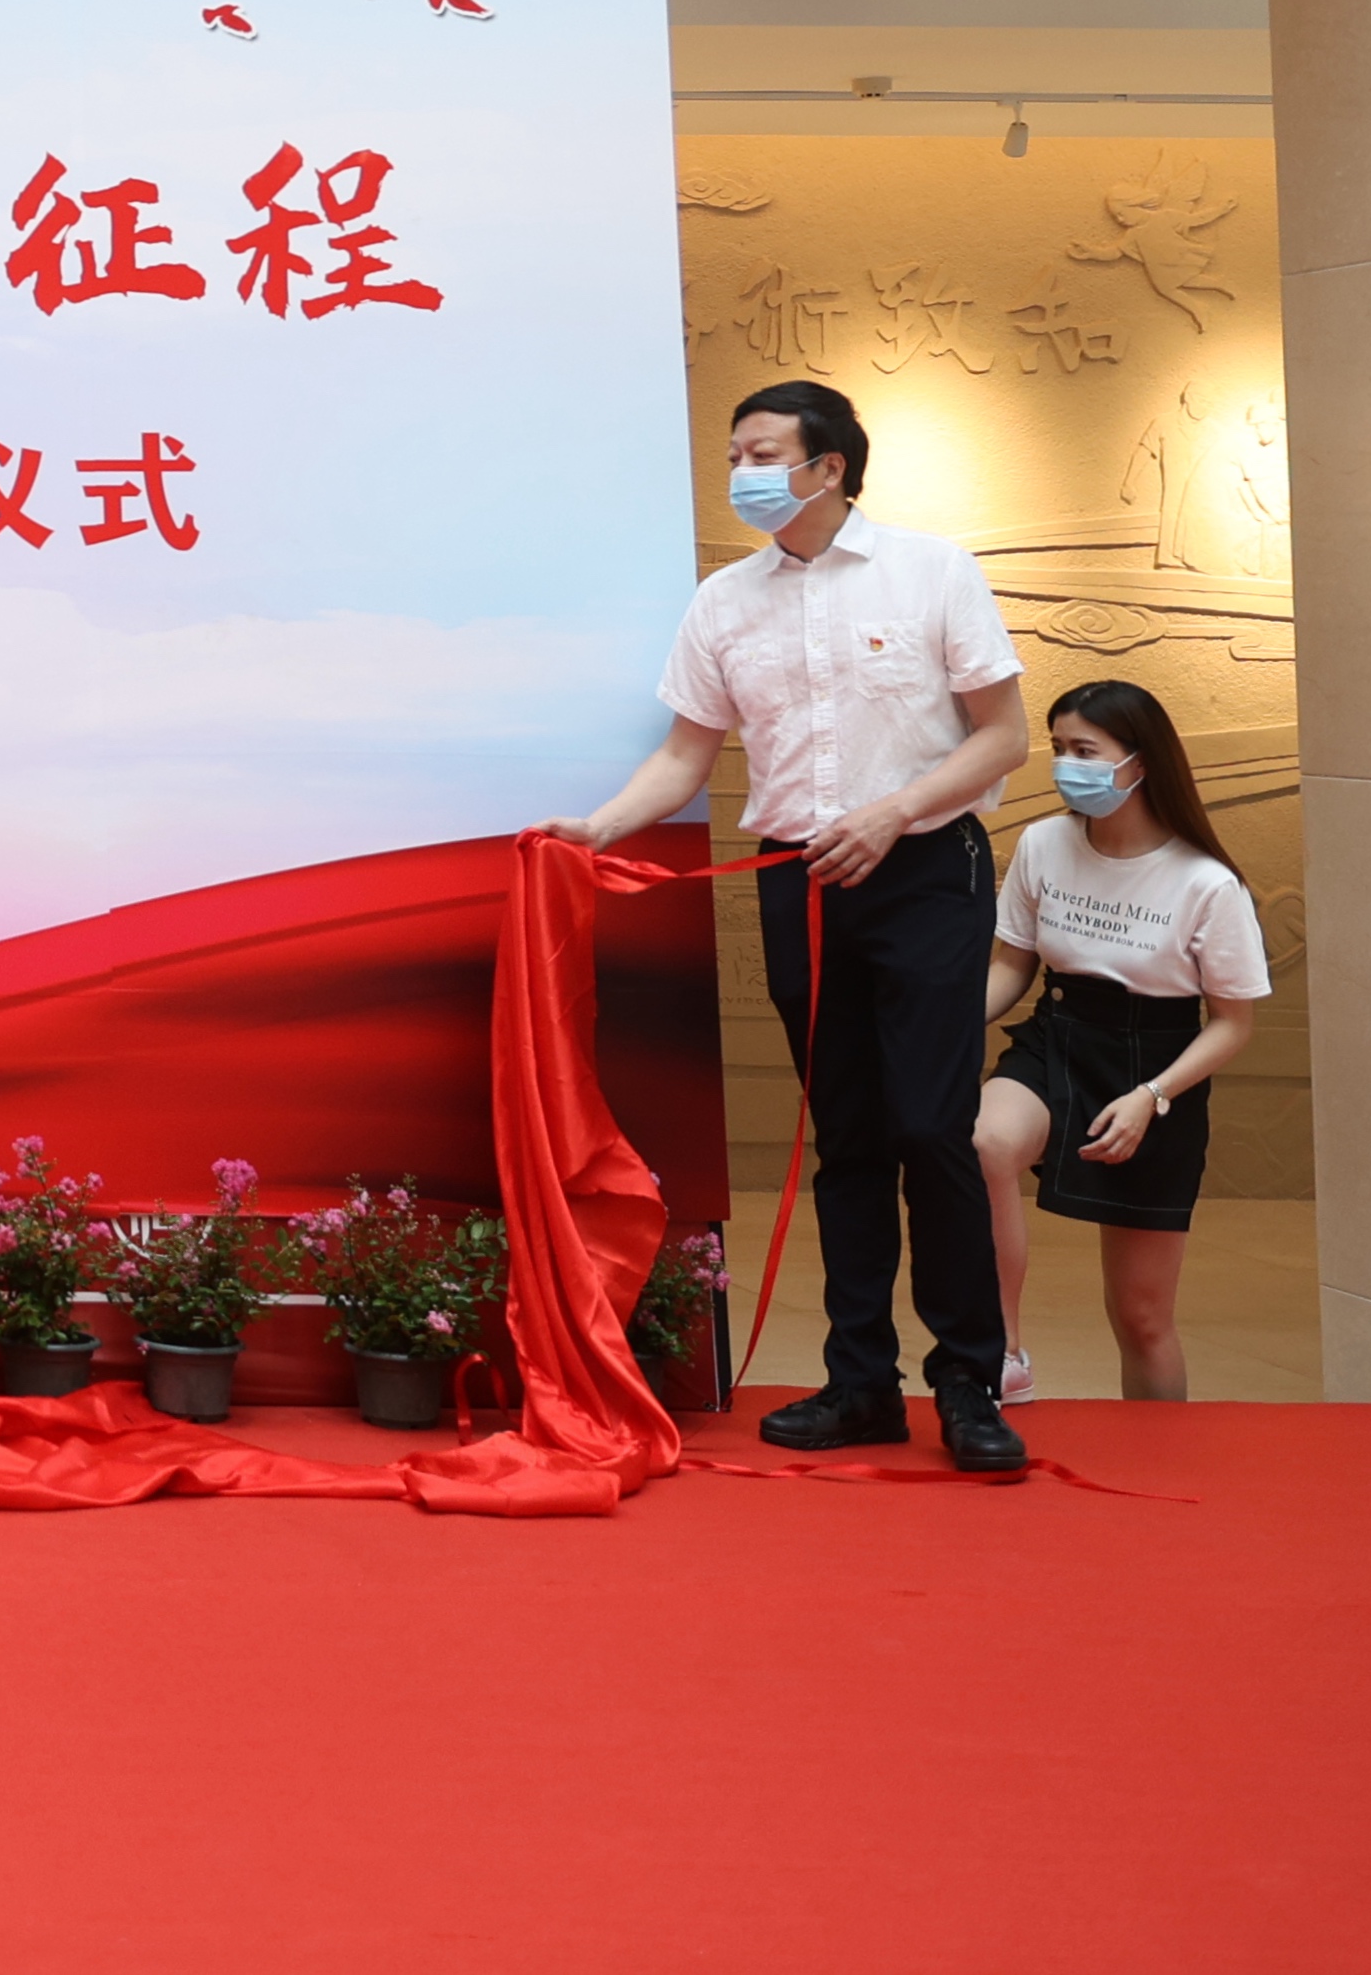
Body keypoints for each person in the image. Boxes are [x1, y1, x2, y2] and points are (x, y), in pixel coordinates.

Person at [538, 379, 1035, 1470]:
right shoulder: (725, 601)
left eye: (762, 454)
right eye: (733, 456)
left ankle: (969, 1382)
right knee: (845, 1134)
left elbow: (1004, 738)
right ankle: (860, 1383)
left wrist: (894, 810)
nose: (743, 474)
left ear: (829, 466)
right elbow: (687, 753)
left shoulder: (930, 570)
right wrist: (596, 828)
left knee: (930, 1128)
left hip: (924, 871)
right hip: (800, 881)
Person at [978, 677, 1270, 1403]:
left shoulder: (1208, 883)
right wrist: (940, 1027)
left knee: (1141, 1318)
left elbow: (1232, 1023)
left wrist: (1152, 1096)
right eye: (1058, 748)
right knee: (985, 1141)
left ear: (1140, 761)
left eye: (1085, 751)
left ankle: (1160, 1451)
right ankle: (1001, 1352)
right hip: (1058, 1032)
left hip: (1157, 1063)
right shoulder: (1043, 842)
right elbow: (1012, 964)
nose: (1066, 766)